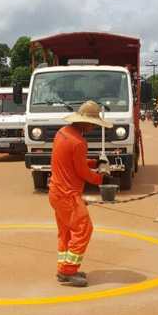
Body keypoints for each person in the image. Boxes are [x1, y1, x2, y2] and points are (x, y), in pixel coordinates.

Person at [49, 101, 113, 287]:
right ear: (83, 122)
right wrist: (102, 179)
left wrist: (94, 163)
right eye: (93, 123)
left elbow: (73, 161)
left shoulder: (63, 133)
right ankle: (67, 270)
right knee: (84, 229)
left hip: (56, 192)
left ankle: (65, 266)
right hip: (67, 195)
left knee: (67, 231)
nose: (93, 127)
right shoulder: (79, 141)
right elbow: (81, 172)